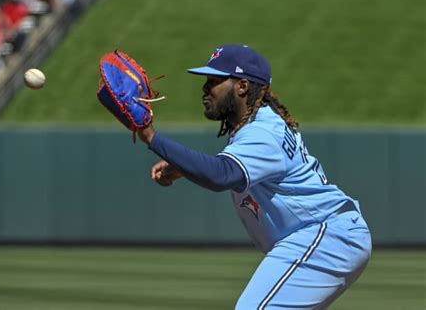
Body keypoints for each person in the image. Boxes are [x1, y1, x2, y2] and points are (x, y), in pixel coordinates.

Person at [136, 44, 372, 309]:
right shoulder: (258, 126)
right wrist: (183, 166)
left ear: (242, 87)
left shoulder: (263, 131)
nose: (205, 89)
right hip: (328, 235)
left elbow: (221, 175)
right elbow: (226, 167)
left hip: (324, 235)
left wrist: (151, 137)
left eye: (214, 81)